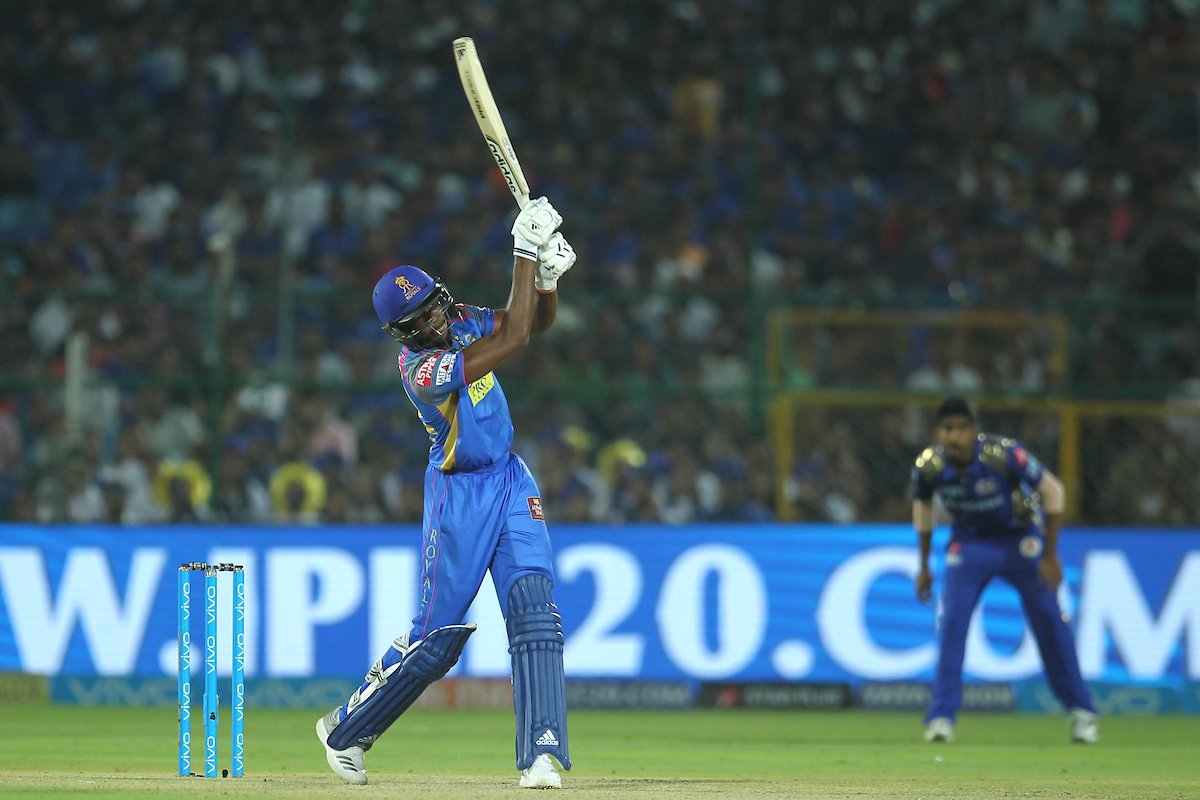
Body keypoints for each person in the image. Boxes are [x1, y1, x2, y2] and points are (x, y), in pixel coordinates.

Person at [315, 197, 577, 788]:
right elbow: (514, 338)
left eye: (434, 307)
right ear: (401, 334)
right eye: (419, 321)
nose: (435, 323)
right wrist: (524, 251)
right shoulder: (420, 371)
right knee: (437, 642)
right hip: (459, 499)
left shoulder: (460, 320)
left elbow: (531, 322)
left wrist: (547, 281)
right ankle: (346, 731)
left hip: (510, 479)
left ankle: (541, 753)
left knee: (535, 612)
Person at [910, 397, 1098, 745]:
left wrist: (1050, 555)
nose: (954, 436)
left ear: (975, 431)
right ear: (938, 432)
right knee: (952, 623)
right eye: (947, 429)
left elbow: (1053, 491)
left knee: (1049, 618)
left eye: (962, 428)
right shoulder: (929, 465)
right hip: (969, 545)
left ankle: (1082, 711)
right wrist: (923, 566)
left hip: (1019, 542)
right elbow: (923, 508)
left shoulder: (1002, 454)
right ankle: (941, 717)